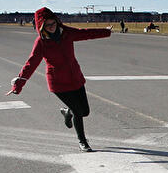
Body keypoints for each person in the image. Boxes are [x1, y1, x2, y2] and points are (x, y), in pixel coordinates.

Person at [6, 8, 112, 152]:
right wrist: (19, 82)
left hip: (75, 78)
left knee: (84, 111)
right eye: (48, 25)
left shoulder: (66, 33)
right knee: (78, 111)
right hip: (58, 83)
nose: (52, 27)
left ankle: (67, 112)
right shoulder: (41, 42)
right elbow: (31, 63)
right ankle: (82, 141)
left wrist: (106, 31)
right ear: (41, 27)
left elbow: (84, 33)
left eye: (53, 23)